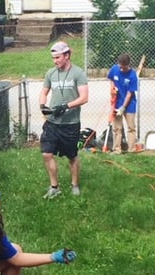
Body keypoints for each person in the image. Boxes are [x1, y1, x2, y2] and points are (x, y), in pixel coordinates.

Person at [39, 41, 89, 199]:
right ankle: (54, 187)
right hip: (52, 122)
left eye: (58, 57)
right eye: (53, 58)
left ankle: (74, 185)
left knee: (72, 156)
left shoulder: (78, 73)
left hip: (70, 124)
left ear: (67, 55)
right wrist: (42, 105)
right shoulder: (51, 73)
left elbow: (84, 97)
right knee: (46, 154)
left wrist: (66, 106)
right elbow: (44, 92)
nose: (55, 61)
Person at [107, 53, 138, 154]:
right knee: (116, 128)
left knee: (131, 127)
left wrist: (123, 108)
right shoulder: (114, 69)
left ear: (128, 65)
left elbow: (129, 94)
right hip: (116, 103)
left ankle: (132, 149)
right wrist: (112, 88)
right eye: (120, 66)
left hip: (129, 105)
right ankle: (117, 149)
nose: (121, 69)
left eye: (123, 68)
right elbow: (111, 79)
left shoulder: (133, 75)